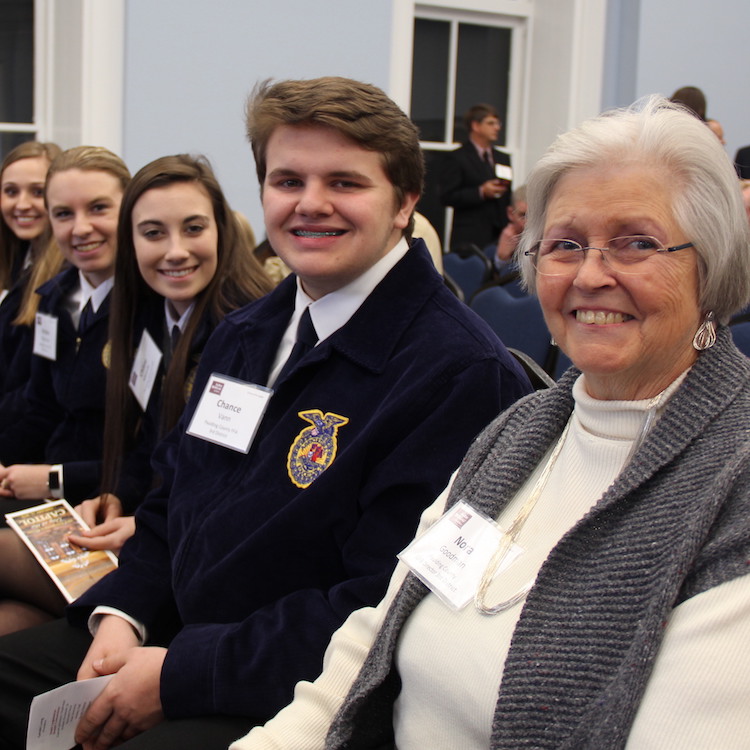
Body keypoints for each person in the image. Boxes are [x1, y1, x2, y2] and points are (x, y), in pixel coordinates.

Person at [0, 76, 531, 749]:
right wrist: (123, 614)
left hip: (289, 685)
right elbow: (173, 498)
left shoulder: (458, 373)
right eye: (287, 181)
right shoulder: (247, 332)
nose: (311, 205)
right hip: (173, 632)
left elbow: (387, 603)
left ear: (405, 201)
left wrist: (178, 676)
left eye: (344, 182)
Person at [235, 95, 750, 750]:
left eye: (636, 244)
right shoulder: (525, 428)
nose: (590, 275)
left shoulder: (734, 482)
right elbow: (379, 627)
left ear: (712, 263)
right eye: (564, 244)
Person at [0, 154, 273, 634]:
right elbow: (156, 452)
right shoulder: (154, 318)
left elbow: (228, 485)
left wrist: (137, 520)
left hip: (180, 571)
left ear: (222, 231)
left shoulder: (243, 334)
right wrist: (113, 495)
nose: (174, 251)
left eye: (193, 229)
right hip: (137, 532)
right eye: (153, 233)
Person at [0, 146, 130, 512]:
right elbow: (40, 409)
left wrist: (55, 478)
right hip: (49, 488)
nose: (81, 228)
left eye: (98, 208)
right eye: (63, 214)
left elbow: (151, 453)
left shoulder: (151, 307)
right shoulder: (54, 299)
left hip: (109, 501)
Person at [0, 141, 64, 422]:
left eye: (37, 192)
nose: (22, 204)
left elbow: (38, 389)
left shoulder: (65, 281)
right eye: (11, 192)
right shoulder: (16, 260)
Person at [440, 103, 512, 250]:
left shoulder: (502, 158)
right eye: (491, 123)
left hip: (499, 235)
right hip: (470, 237)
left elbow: (508, 196)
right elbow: (446, 196)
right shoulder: (457, 157)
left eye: (498, 123)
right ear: (476, 126)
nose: (497, 127)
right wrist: (481, 192)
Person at [493, 183, 527, 275]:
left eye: (535, 215)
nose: (529, 223)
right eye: (523, 215)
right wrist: (501, 259)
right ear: (510, 214)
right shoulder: (493, 248)